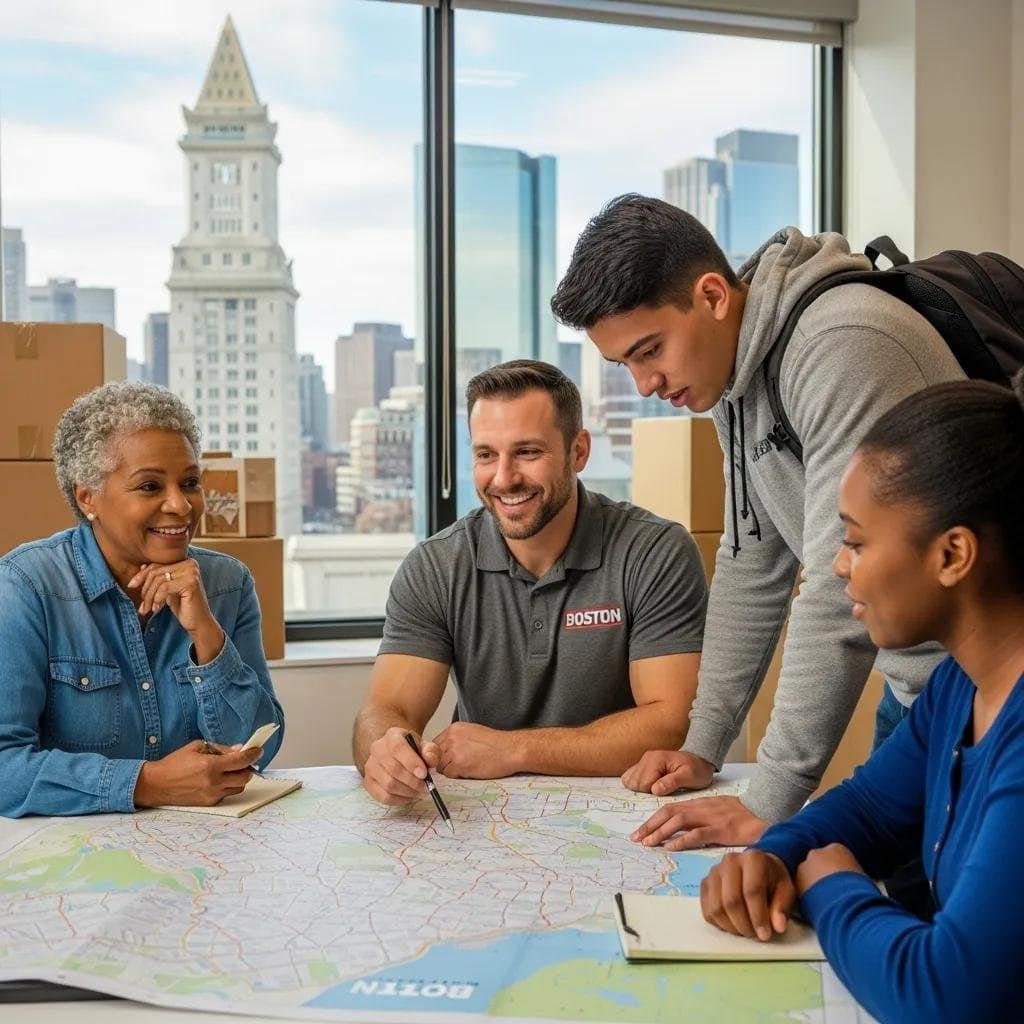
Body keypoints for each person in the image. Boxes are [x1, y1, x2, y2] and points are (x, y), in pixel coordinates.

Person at [550, 194, 964, 846]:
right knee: (893, 896)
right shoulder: (733, 381)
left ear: (713, 295)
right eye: (623, 364)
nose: (645, 385)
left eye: (649, 349)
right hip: (921, 691)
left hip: (993, 700)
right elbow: (753, 562)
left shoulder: (842, 346)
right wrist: (703, 745)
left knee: (955, 935)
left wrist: (768, 800)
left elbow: (835, 586)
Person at [694, 373, 1024, 1023]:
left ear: (953, 554)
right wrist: (772, 855)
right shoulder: (961, 683)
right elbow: (871, 809)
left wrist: (829, 884)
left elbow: (945, 995)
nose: (839, 566)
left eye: (856, 541)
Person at [355, 360, 708, 805]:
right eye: (486, 454)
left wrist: (513, 749)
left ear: (578, 452)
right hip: (485, 819)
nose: (504, 478)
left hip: (626, 809)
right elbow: (386, 711)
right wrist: (382, 751)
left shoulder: (655, 551)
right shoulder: (435, 566)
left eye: (527, 452)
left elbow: (671, 722)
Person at [0, 382, 284, 818]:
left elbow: (261, 745)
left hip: (204, 857)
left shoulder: (227, 583)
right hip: (77, 863)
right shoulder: (26, 587)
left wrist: (205, 635)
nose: (181, 505)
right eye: (150, 486)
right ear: (87, 496)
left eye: (190, 482)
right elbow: (5, 767)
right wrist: (146, 783)